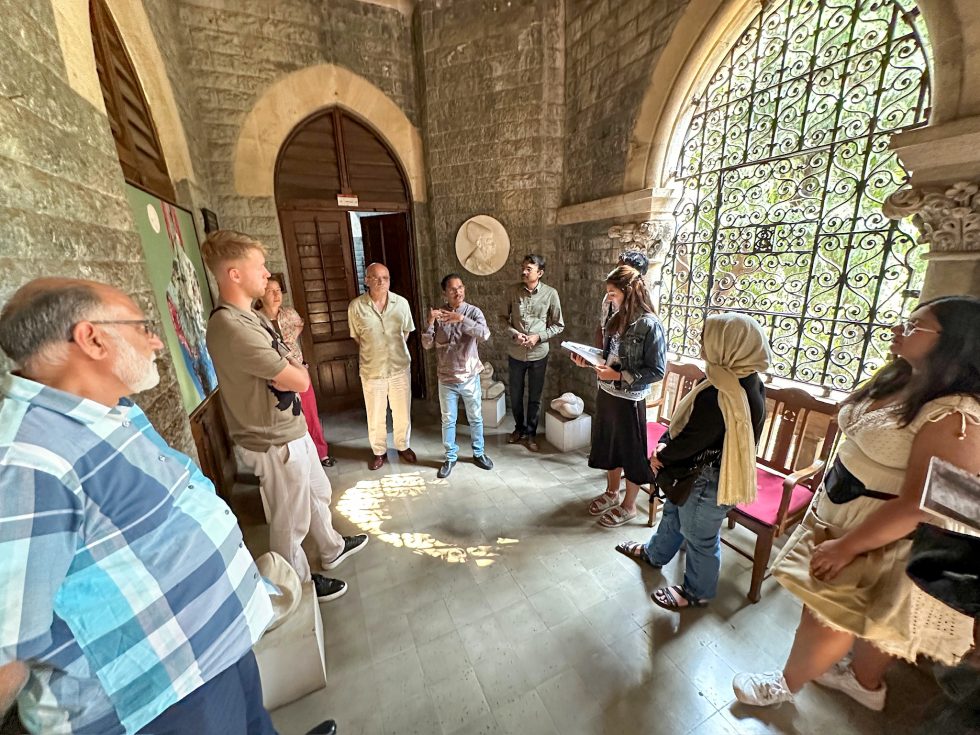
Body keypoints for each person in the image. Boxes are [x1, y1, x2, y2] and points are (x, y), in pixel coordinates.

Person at [0, 278, 298, 734]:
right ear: (92, 338)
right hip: (163, 704)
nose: (157, 340)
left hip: (215, 655)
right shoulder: (27, 462)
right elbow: (7, 646)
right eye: (141, 327)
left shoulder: (110, 412)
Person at [733, 296, 980, 711]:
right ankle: (865, 683)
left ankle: (785, 684)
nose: (897, 330)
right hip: (844, 509)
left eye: (914, 326)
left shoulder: (956, 415)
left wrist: (849, 546)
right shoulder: (903, 377)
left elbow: (924, 504)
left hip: (876, 530)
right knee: (875, 617)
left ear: (955, 341)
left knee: (826, 613)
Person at [203, 230, 366, 603]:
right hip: (272, 439)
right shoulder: (231, 326)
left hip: (290, 428)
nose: (266, 273)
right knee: (289, 522)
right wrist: (296, 371)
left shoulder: (251, 318)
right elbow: (299, 378)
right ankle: (298, 587)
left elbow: (290, 366)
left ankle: (331, 546)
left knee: (318, 492)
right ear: (234, 273)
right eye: (258, 266)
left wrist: (293, 369)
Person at [615, 313, 770, 609]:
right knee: (672, 514)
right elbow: (692, 433)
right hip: (695, 473)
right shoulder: (742, 378)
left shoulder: (723, 393)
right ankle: (655, 554)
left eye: (707, 336)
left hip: (708, 480)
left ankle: (696, 592)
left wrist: (661, 454)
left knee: (700, 539)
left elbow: (693, 439)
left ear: (729, 345)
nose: (701, 341)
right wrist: (666, 445)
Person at [572, 264, 666, 527]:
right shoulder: (615, 318)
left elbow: (656, 370)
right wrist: (589, 362)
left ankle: (629, 506)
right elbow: (610, 356)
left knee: (631, 452)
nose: (609, 298)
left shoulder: (649, 325)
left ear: (629, 291)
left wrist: (618, 376)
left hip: (630, 398)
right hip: (607, 392)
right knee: (609, 446)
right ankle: (612, 493)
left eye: (612, 293)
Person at [256, 277, 335, 467]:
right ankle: (297, 459)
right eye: (270, 291)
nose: (276, 295)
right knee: (286, 418)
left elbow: (300, 324)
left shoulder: (289, 314)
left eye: (278, 290)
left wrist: (290, 339)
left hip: (298, 370)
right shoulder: (255, 319)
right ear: (260, 294)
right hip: (274, 376)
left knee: (310, 414)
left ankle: (321, 453)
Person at [422, 273, 494, 478]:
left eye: (460, 287)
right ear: (445, 293)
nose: (458, 292)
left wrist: (462, 319)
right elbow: (427, 344)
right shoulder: (438, 314)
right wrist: (429, 323)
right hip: (446, 378)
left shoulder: (473, 311)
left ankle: (479, 453)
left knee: (475, 418)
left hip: (469, 376)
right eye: (452, 289)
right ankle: (450, 457)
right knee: (448, 420)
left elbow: (485, 334)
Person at [347, 262, 418, 471]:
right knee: (376, 414)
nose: (381, 282)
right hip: (372, 370)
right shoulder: (356, 307)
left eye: (385, 278)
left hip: (399, 367)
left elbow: (406, 333)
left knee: (402, 411)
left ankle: (403, 446)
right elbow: (358, 337)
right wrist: (376, 351)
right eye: (376, 277)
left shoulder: (402, 303)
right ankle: (379, 452)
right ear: (366, 280)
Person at [504, 254, 564, 451]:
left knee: (535, 396)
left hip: (539, 353)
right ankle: (519, 429)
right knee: (516, 393)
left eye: (529, 269)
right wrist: (514, 334)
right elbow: (501, 319)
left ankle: (531, 433)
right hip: (516, 353)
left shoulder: (551, 294)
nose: (524, 271)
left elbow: (558, 325)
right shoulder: (512, 291)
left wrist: (538, 337)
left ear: (540, 273)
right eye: (523, 267)